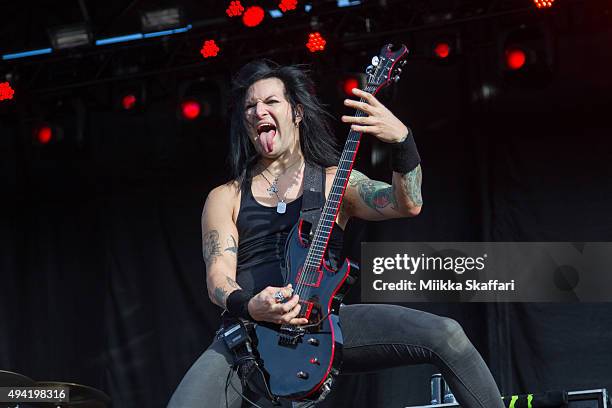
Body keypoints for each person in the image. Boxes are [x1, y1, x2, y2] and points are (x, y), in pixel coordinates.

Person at [167, 60, 505, 408]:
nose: (258, 112)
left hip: (323, 318)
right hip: (249, 333)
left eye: (271, 102)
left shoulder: (335, 181)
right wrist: (251, 305)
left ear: (296, 113)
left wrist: (403, 142)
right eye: (250, 106)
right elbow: (218, 278)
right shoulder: (226, 196)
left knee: (446, 334)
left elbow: (407, 204)